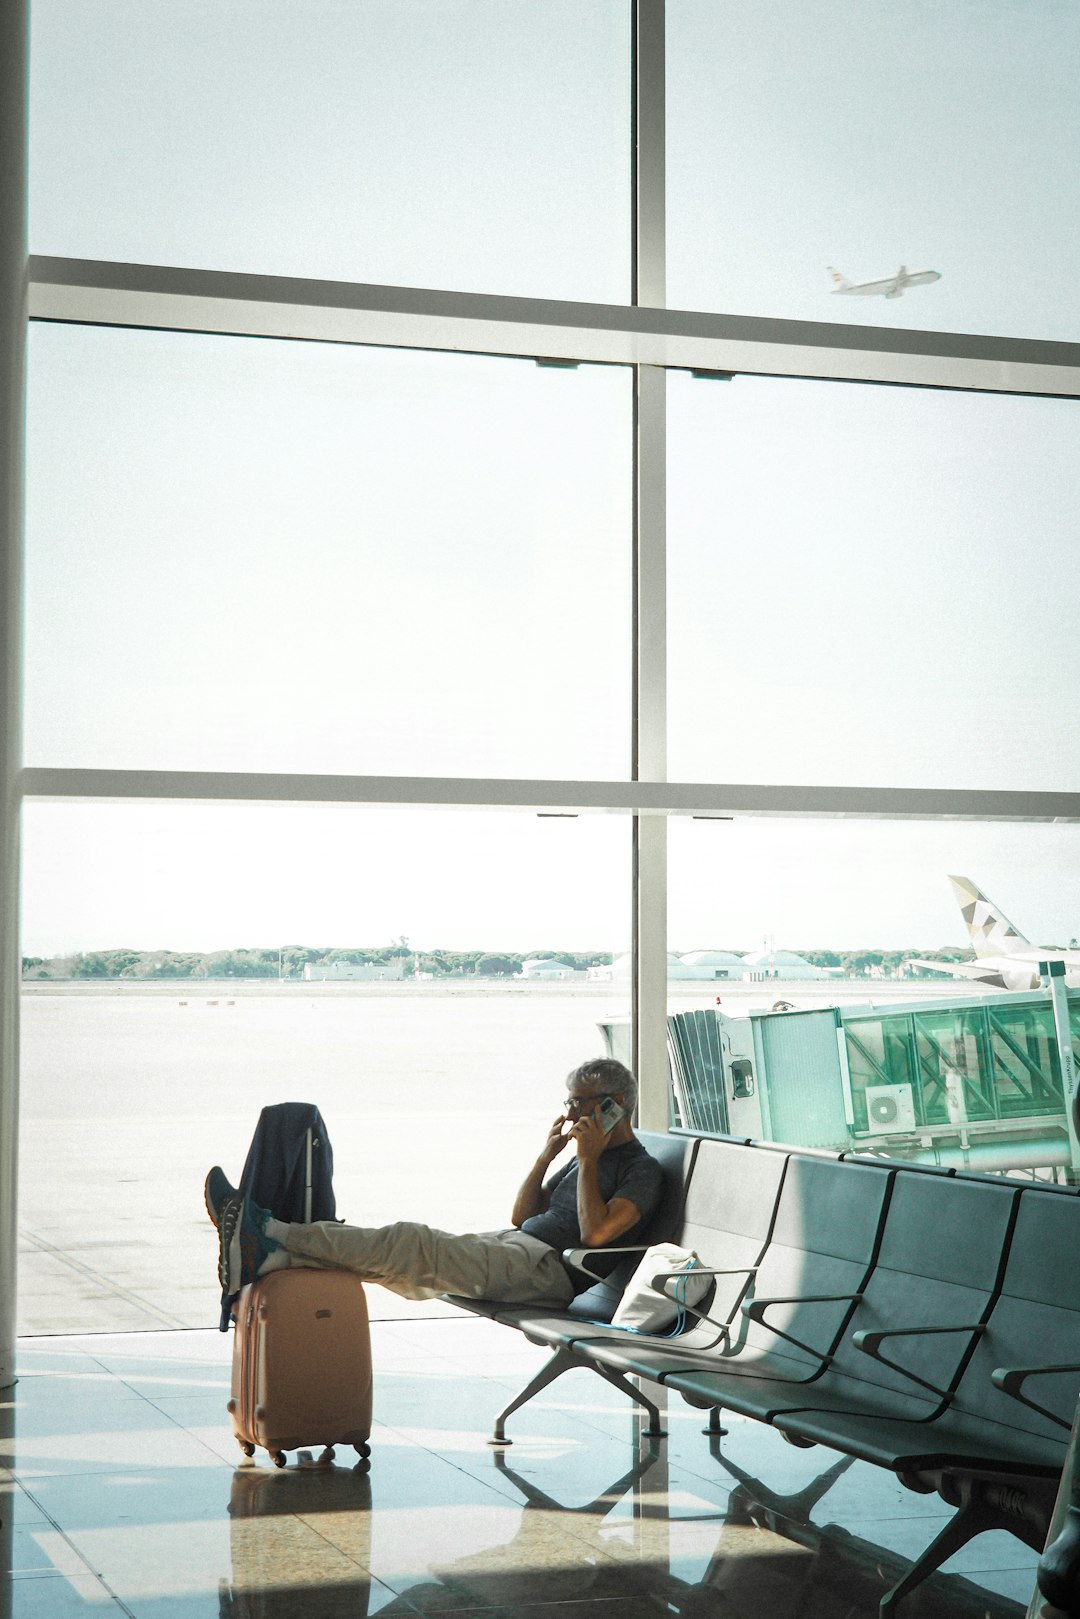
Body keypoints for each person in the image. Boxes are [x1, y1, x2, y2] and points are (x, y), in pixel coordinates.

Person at [205, 1058, 663, 1308]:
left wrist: (587, 1160)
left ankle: (266, 1231)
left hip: (551, 1271)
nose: (570, 1114)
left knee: (410, 1241)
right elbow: (523, 1216)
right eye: (568, 1102)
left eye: (579, 1103)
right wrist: (547, 1158)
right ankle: (269, 1258)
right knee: (402, 1263)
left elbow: (597, 1234)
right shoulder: (587, 1156)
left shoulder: (639, 1169)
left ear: (614, 1103)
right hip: (516, 1246)